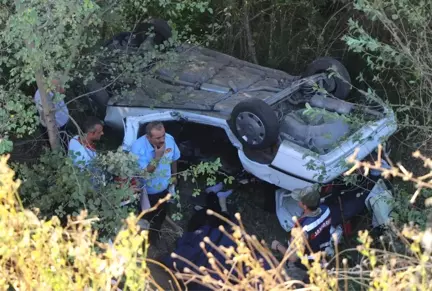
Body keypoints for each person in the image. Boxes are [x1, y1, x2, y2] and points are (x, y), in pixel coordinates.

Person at [130, 121, 180, 243]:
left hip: (164, 187)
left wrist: (174, 175)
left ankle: (154, 236)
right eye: (158, 138)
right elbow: (144, 173)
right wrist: (157, 157)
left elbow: (174, 158)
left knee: (161, 214)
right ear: (148, 137)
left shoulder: (169, 139)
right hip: (147, 192)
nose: (162, 140)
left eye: (163, 135)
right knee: (146, 218)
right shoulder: (137, 147)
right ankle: (142, 242)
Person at [272, 185, 332, 282]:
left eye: (299, 200)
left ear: (304, 205)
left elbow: (293, 258)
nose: (298, 201)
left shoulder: (303, 230)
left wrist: (277, 245)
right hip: (320, 254)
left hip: (303, 263)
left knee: (285, 280)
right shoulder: (326, 210)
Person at [34, 79, 70, 148]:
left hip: (62, 124)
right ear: (53, 87)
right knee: (61, 145)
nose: (63, 90)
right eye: (60, 87)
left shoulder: (54, 92)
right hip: (55, 129)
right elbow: (46, 118)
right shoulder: (43, 98)